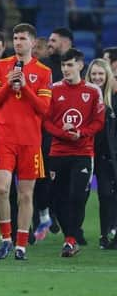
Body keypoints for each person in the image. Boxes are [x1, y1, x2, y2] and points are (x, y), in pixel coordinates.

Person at [0, 23, 52, 260]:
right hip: (4, 138)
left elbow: (44, 108)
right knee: (3, 188)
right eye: (15, 38)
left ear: (33, 43)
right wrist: (8, 83)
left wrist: (25, 87)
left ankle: (21, 244)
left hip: (30, 141)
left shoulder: (43, 72)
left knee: (26, 195)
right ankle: (6, 238)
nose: (18, 42)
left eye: (23, 38)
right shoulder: (1, 66)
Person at [44, 48, 104, 257]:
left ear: (80, 65)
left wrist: (82, 133)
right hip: (58, 152)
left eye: (70, 65)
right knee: (56, 198)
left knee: (77, 195)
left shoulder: (93, 91)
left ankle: (70, 239)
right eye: (63, 65)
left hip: (83, 152)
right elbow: (46, 121)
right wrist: (62, 132)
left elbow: (98, 121)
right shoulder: (54, 89)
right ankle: (69, 236)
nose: (66, 69)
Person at [33, 27, 74, 242]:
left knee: (59, 182)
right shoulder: (44, 69)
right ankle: (40, 219)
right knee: (38, 178)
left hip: (65, 136)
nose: (49, 45)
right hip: (42, 133)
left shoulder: (74, 72)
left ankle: (61, 220)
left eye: (52, 41)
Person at [85, 59, 117, 249]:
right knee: (103, 195)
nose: (97, 78)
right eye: (94, 74)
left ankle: (109, 232)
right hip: (91, 154)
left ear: (107, 76)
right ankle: (104, 233)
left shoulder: (113, 99)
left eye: (101, 74)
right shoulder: (84, 98)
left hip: (111, 155)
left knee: (109, 195)